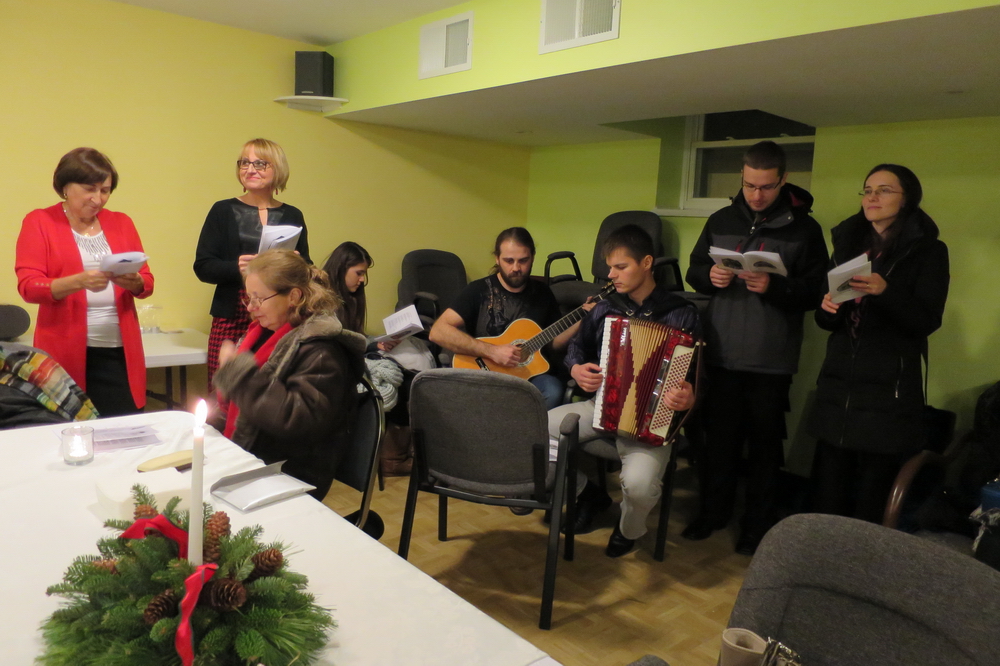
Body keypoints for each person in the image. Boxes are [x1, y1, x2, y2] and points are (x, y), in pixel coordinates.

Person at [684, 140, 828, 555]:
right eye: (749, 185)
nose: (757, 194)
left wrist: (775, 286)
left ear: (783, 180)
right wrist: (709, 277)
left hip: (771, 358)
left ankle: (757, 527)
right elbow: (694, 268)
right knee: (718, 442)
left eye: (766, 186)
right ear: (742, 178)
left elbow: (818, 291)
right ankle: (713, 513)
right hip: (722, 351)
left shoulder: (805, 229)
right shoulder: (721, 219)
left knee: (765, 449)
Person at [808, 164, 949, 523]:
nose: (872, 197)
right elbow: (826, 320)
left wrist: (886, 291)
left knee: (871, 498)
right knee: (828, 494)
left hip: (888, 391)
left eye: (884, 190)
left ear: (907, 199)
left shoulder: (928, 251)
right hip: (839, 383)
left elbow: (926, 321)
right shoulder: (847, 243)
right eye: (868, 190)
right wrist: (827, 308)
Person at [547, 224, 699, 557]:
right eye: (610, 267)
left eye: (621, 267)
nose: (611, 275)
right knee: (535, 429)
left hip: (651, 420)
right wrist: (576, 369)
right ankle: (588, 494)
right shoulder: (606, 307)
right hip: (599, 406)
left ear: (646, 263)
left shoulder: (681, 313)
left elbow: (698, 377)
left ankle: (628, 528)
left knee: (640, 486)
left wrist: (689, 397)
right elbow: (576, 348)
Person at [209, 250, 366, 500]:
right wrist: (206, 429)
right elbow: (234, 406)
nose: (251, 307)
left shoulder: (322, 351)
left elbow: (296, 420)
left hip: (289, 472)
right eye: (249, 298)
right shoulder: (261, 334)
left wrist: (238, 374)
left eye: (259, 298)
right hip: (255, 456)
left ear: (293, 296)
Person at [15, 147, 154, 416]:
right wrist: (78, 282)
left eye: (105, 190)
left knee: (123, 427)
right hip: (64, 353)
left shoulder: (121, 222)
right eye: (90, 189)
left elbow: (147, 282)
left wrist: (134, 281)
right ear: (65, 187)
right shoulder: (40, 221)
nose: (97, 199)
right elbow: (29, 286)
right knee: (70, 426)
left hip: (119, 351)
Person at [194, 138, 310, 389]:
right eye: (244, 163)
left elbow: (307, 271)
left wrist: (296, 263)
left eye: (260, 164)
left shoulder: (293, 214)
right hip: (232, 313)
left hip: (278, 313)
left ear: (277, 168)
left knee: (271, 385)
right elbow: (203, 266)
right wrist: (235, 268)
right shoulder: (223, 210)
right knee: (224, 387)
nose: (250, 169)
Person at [429, 227, 573, 410]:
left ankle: (523, 429)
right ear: (497, 258)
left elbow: (552, 343)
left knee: (553, 389)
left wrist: (581, 319)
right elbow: (438, 332)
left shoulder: (543, 293)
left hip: (528, 375)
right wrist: (492, 351)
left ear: (533, 257)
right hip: (486, 375)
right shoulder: (478, 291)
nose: (516, 268)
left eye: (523, 260)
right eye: (508, 261)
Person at [322, 241, 413, 477]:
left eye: (364, 274)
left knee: (408, 377)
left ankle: (396, 454)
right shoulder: (323, 299)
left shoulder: (351, 298)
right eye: (359, 273)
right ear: (342, 268)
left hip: (351, 359)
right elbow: (336, 342)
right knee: (401, 382)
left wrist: (375, 344)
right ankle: (393, 459)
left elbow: (353, 337)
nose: (362, 280)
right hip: (335, 368)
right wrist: (369, 346)